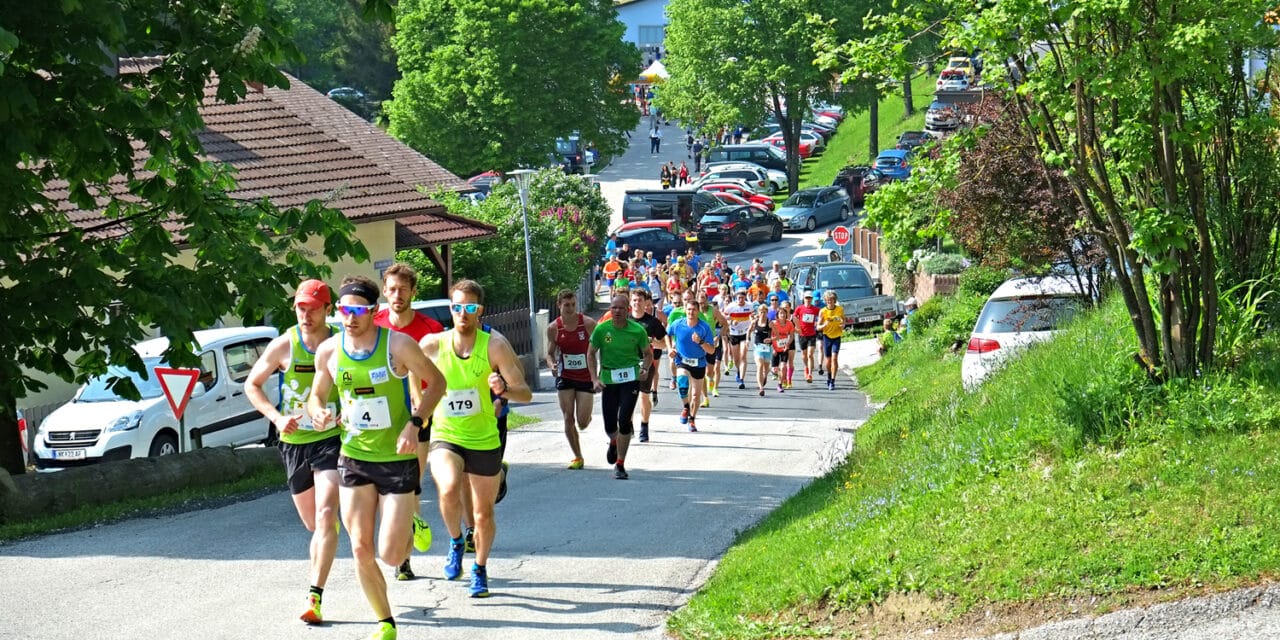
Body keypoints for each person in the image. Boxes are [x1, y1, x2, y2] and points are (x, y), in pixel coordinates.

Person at [306, 275, 447, 640]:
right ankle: (385, 621)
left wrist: (415, 424)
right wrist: (319, 411)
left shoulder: (397, 345)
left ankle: (410, 526)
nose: (350, 318)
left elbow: (438, 383)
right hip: (353, 457)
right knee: (360, 548)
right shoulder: (330, 351)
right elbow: (316, 395)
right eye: (344, 310)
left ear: (373, 311)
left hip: (397, 458)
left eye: (358, 310)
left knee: (388, 554)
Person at [419, 279, 532, 598]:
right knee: (449, 488)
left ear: (480, 311)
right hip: (446, 434)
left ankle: (479, 568)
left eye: (470, 307)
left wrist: (503, 390)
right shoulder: (434, 344)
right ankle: (456, 540)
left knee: (483, 514)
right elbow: (411, 366)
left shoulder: (494, 346)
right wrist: (420, 401)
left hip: (483, 437)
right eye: (457, 307)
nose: (462, 313)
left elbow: (525, 393)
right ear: (451, 308)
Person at [244, 279, 344, 625]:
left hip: (332, 438)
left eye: (313, 308)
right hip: (294, 443)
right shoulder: (284, 345)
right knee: (314, 524)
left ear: (326, 309)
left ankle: (315, 597)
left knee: (327, 513)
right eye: (301, 308)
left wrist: (346, 413)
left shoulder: (341, 343)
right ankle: (327, 536)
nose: (306, 314)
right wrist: (276, 417)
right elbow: (251, 384)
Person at [372, 263, 445, 581]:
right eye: (391, 289)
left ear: (414, 291)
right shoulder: (373, 325)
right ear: (384, 291)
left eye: (403, 289)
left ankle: (404, 557)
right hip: (380, 416)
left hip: (419, 415)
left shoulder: (429, 328)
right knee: (382, 487)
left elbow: (443, 374)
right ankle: (402, 537)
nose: (396, 295)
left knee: (410, 483)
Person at [588, 293, 653, 480]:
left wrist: (645, 368)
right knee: (610, 424)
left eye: (621, 308)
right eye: (614, 308)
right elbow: (591, 353)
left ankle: (620, 464)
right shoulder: (602, 329)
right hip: (608, 378)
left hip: (630, 377)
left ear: (628, 310)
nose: (616, 311)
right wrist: (594, 378)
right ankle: (614, 441)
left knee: (624, 419)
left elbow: (647, 354)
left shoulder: (637, 330)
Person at [546, 289, 596, 469]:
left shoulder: (588, 324)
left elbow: (599, 347)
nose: (570, 308)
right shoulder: (554, 328)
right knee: (568, 418)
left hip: (585, 377)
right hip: (565, 376)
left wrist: (597, 373)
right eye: (566, 305)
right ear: (559, 305)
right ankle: (578, 456)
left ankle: (587, 418)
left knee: (582, 422)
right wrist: (552, 365)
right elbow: (550, 354)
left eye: (573, 304)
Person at [667, 294, 715, 432]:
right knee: (682, 381)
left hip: (699, 363)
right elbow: (667, 334)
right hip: (682, 360)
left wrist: (700, 342)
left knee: (695, 395)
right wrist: (670, 348)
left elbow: (711, 350)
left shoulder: (704, 328)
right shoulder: (678, 324)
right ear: (685, 310)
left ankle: (692, 419)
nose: (691, 312)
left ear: (698, 311)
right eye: (688, 310)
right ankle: (686, 407)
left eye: (694, 310)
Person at [630, 288, 667, 442]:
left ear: (645, 303)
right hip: (626, 364)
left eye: (640, 300)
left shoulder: (652, 322)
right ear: (630, 302)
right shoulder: (624, 321)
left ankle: (644, 427)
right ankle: (628, 424)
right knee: (627, 397)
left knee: (644, 396)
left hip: (646, 364)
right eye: (634, 300)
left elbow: (664, 344)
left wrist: (652, 342)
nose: (637, 303)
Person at [815, 291, 846, 390]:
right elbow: (818, 327)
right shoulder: (823, 311)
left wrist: (843, 325)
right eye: (827, 300)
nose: (829, 302)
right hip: (827, 337)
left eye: (831, 300)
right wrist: (824, 325)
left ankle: (833, 380)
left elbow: (844, 320)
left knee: (834, 358)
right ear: (825, 301)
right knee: (828, 361)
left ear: (834, 300)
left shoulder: (840, 309)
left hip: (836, 336)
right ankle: (829, 376)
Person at [723, 289, 754, 389]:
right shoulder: (731, 306)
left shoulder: (749, 306)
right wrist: (731, 322)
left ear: (745, 298)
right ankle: (738, 370)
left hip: (745, 333)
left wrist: (752, 323)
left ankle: (741, 379)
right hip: (734, 333)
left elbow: (752, 316)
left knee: (743, 356)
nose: (741, 300)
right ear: (736, 298)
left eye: (742, 298)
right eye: (739, 298)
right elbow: (723, 317)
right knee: (736, 358)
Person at [794, 293, 821, 383]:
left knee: (810, 354)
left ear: (812, 299)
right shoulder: (800, 308)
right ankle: (806, 368)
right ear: (804, 298)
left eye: (810, 298)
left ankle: (810, 374)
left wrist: (818, 323)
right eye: (806, 298)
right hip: (802, 334)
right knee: (804, 355)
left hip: (812, 334)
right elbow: (794, 317)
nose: (808, 299)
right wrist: (797, 327)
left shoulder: (815, 309)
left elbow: (822, 316)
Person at [771, 306, 797, 390]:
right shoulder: (774, 324)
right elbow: (770, 336)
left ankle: (780, 384)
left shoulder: (789, 323)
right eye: (780, 313)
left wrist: (787, 344)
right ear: (777, 315)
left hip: (784, 348)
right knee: (775, 369)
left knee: (783, 366)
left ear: (786, 314)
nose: (782, 315)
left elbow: (792, 336)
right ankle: (774, 372)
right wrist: (773, 348)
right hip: (775, 348)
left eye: (784, 313)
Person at [750, 304, 773, 396]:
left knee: (766, 368)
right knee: (760, 365)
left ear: (767, 313)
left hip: (767, 347)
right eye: (761, 312)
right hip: (758, 347)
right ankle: (761, 387)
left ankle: (765, 376)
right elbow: (749, 331)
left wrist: (771, 339)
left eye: (764, 312)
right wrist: (747, 340)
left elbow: (777, 335)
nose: (762, 313)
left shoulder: (770, 323)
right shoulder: (755, 322)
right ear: (758, 313)